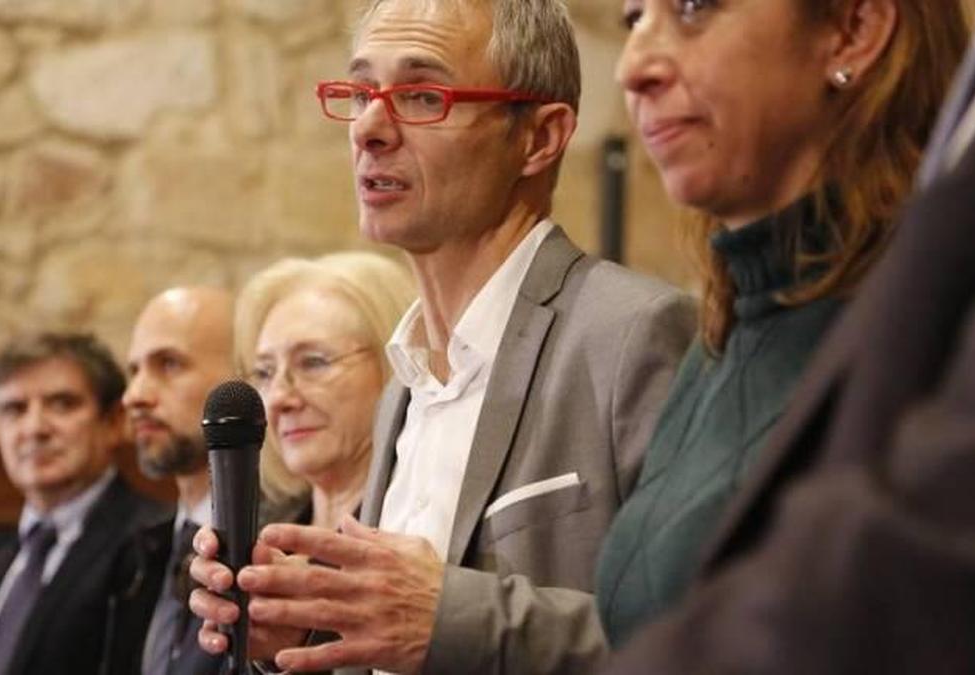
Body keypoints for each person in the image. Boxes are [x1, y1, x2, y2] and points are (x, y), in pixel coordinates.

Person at [189, 0, 697, 673]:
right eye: (362, 90)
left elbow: (713, 633)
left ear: (540, 137)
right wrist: (303, 640)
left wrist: (450, 617)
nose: (369, 127)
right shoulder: (403, 383)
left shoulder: (634, 334)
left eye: (422, 94)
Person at [603, 0, 975, 671]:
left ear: (853, 32)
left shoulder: (930, 322)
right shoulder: (725, 324)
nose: (632, 66)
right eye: (632, 18)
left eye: (693, 7)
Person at [0, 333, 163, 675]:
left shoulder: (154, 543)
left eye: (62, 404)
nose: (35, 428)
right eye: (15, 410)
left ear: (112, 422)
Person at [103, 286, 304, 675]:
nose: (134, 396)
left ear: (243, 379)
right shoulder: (143, 547)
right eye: (134, 371)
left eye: (169, 364)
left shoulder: (284, 545)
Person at [234, 253, 415, 530]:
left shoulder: (414, 542)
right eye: (265, 373)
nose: (279, 399)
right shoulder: (258, 538)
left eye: (313, 363)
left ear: (393, 364)